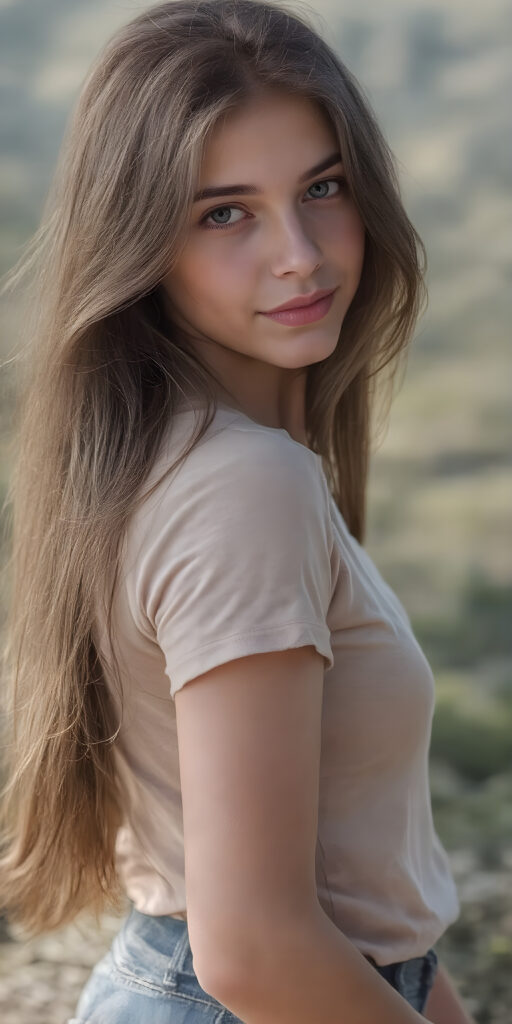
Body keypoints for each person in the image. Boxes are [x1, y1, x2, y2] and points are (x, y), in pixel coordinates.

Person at [0, 1, 476, 1022]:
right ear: (142, 245)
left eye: (321, 187)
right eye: (224, 212)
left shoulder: (188, 460)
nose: (298, 253)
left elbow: (353, 885)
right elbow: (254, 949)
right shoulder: (241, 487)